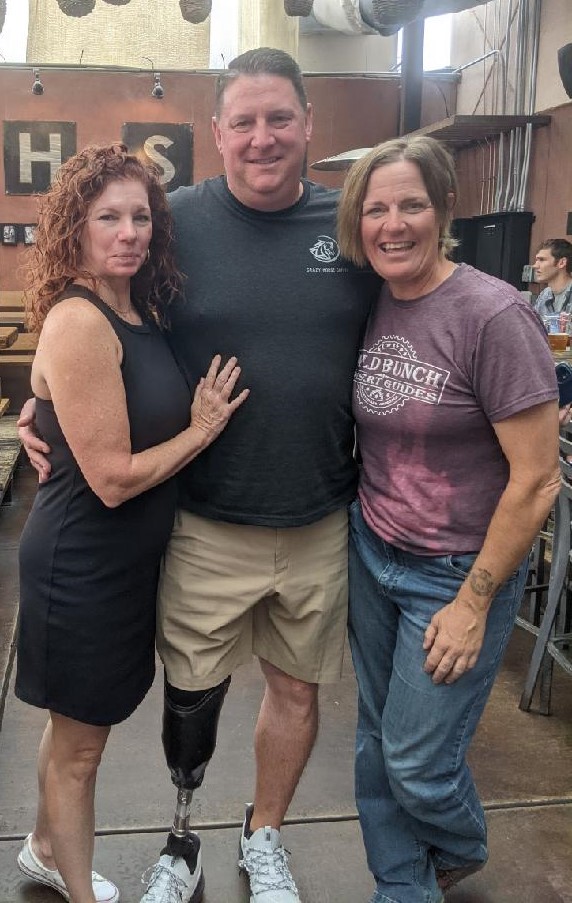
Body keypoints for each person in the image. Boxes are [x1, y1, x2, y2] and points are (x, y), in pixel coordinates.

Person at [18, 49, 381, 903]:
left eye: (280, 119)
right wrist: (42, 411)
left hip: (320, 511)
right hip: (205, 518)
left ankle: (265, 837)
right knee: (192, 696)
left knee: (296, 690)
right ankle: (181, 841)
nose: (263, 138)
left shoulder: (351, 227)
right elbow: (86, 316)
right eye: (244, 122)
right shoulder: (172, 220)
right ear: (216, 134)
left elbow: (421, 310)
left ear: (308, 125)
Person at [14, 143, 248, 903]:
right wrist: (203, 430)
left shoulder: (137, 304)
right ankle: (75, 887)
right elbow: (112, 479)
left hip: (123, 564)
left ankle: (46, 846)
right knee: (81, 748)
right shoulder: (82, 319)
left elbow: (72, 402)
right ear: (73, 228)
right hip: (83, 560)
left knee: (77, 727)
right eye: (106, 216)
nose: (128, 232)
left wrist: (37, 403)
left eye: (140, 216)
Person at [335, 134, 561, 903]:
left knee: (418, 761)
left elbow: (536, 481)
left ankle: (460, 841)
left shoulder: (495, 316)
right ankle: (403, 886)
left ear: (446, 211)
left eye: (411, 204)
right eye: (376, 208)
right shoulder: (373, 300)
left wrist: (473, 602)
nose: (392, 224)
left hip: (457, 570)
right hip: (374, 549)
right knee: (374, 741)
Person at [533, 238, 572, 318]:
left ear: (562, 263)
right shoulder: (544, 295)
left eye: (542, 260)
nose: (535, 266)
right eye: (536, 260)